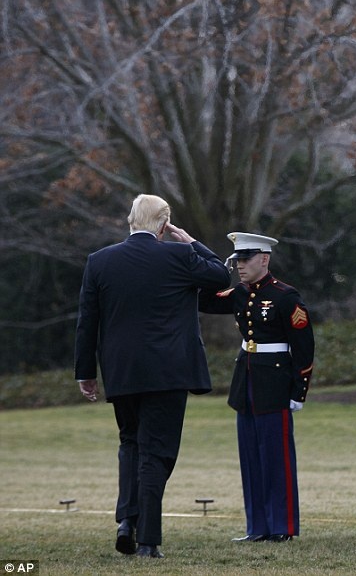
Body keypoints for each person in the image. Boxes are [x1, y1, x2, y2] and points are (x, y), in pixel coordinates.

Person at [74, 194, 231, 559]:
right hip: (168, 371)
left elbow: (87, 323)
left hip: (122, 370)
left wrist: (86, 373)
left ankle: (127, 520)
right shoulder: (178, 255)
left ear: (130, 221)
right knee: (157, 452)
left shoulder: (100, 262)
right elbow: (220, 274)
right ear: (163, 225)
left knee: (131, 443)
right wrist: (189, 240)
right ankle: (148, 539)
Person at [199, 232, 315, 543]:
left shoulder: (285, 296)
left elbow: (303, 348)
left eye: (245, 259)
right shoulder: (239, 293)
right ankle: (258, 527)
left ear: (264, 259)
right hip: (246, 381)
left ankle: (282, 526)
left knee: (276, 458)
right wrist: (198, 251)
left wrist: (298, 391)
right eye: (236, 260)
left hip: (275, 384)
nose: (239, 266)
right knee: (251, 458)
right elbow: (203, 300)